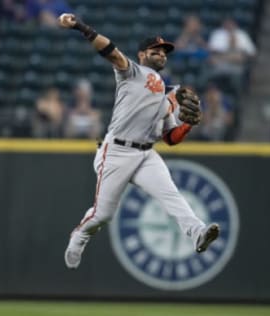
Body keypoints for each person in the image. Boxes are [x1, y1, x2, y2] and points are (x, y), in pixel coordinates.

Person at [57, 13, 220, 269]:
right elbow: (110, 51)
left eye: (165, 52)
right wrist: (80, 27)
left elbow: (170, 138)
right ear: (143, 54)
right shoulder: (132, 72)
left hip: (146, 155)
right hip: (117, 151)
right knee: (103, 215)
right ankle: (80, 234)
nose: (162, 54)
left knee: (172, 196)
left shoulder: (167, 96)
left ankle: (197, 232)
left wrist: (187, 124)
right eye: (156, 51)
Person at [207, 17, 256, 94]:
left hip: (237, 66)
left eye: (231, 23)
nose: (229, 25)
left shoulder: (242, 34)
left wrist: (232, 54)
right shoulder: (218, 34)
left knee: (237, 76)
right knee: (211, 73)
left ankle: (238, 97)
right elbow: (211, 53)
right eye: (227, 23)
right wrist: (230, 57)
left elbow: (251, 53)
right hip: (220, 66)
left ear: (234, 24)